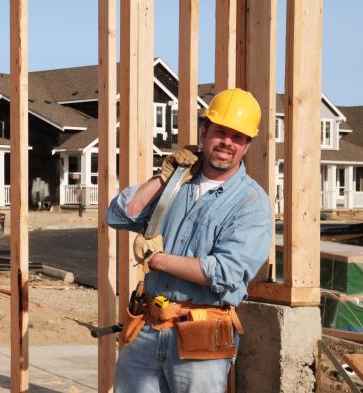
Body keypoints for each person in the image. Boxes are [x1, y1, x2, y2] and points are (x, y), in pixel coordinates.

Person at [106, 88, 273, 393]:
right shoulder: (176, 187)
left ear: (247, 145)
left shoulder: (251, 202)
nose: (227, 142)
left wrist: (156, 259)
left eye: (237, 137)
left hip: (202, 336)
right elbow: (120, 215)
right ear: (204, 131)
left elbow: (225, 272)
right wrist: (165, 178)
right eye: (220, 132)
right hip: (148, 327)